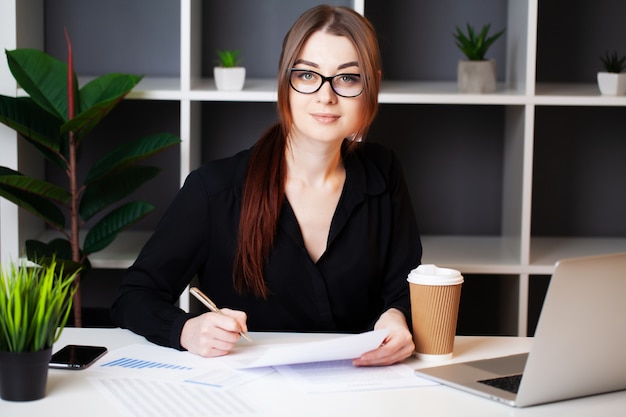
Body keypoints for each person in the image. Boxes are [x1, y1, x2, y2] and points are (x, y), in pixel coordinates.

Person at [110, 5, 421, 367]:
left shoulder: (384, 172)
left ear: (372, 86)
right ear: (283, 81)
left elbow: (405, 285)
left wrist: (396, 316)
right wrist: (186, 330)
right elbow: (132, 297)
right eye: (307, 75)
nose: (326, 96)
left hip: (360, 386)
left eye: (348, 79)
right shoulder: (215, 188)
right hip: (242, 391)